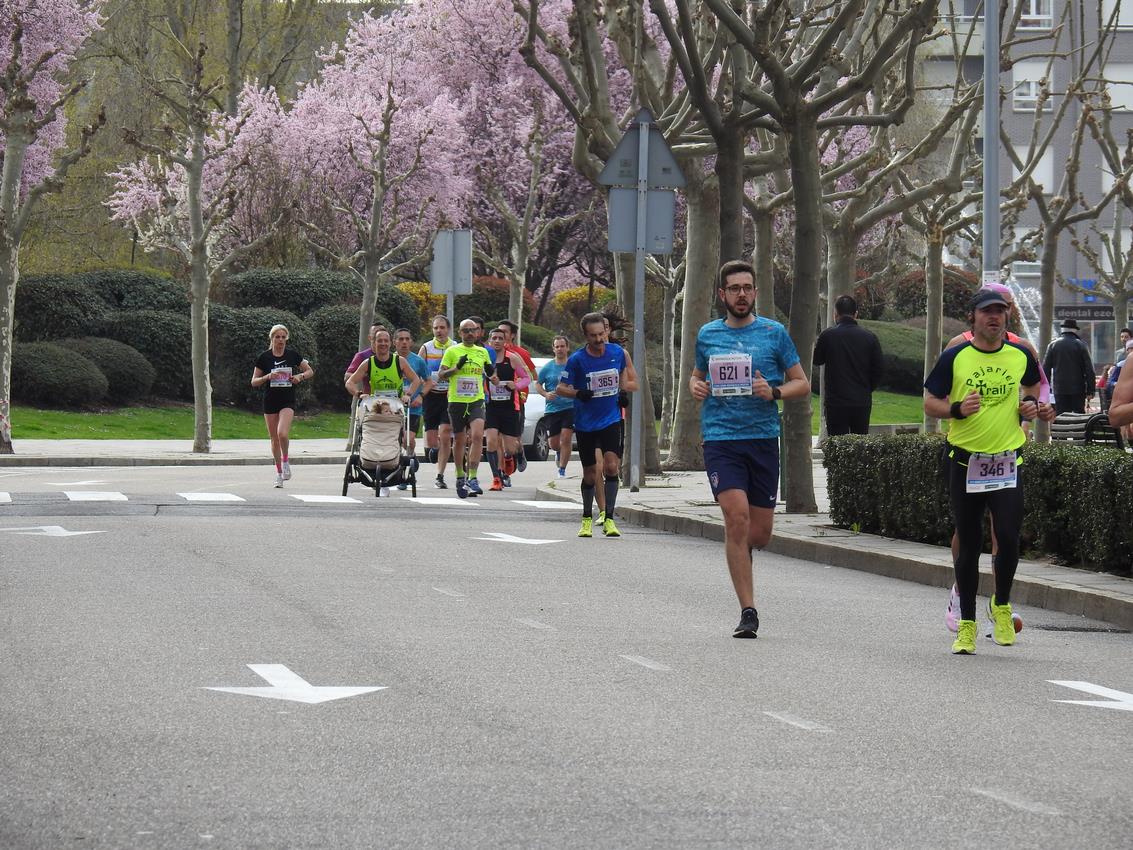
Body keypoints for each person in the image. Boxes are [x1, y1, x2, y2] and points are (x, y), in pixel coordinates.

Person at [924, 289, 1055, 655]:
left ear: (1007, 317)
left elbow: (1034, 387)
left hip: (1007, 460)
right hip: (966, 461)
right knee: (968, 545)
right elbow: (929, 402)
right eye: (987, 312)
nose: (994, 318)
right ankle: (966, 623)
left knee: (1010, 539)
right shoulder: (956, 356)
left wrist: (1031, 406)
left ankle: (1001, 604)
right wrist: (956, 410)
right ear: (973, 317)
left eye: (1000, 312)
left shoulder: (1020, 354)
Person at [689, 260, 810, 638]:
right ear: (722, 295)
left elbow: (801, 383)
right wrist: (697, 387)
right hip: (721, 438)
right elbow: (697, 375)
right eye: (734, 288)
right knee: (736, 518)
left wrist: (773, 392)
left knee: (759, 534)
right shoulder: (708, 334)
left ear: (754, 292)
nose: (741, 294)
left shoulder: (774, 334)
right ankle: (748, 611)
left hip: (761, 439)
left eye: (747, 287)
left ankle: (744, 552)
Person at [557, 311, 639, 538]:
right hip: (585, 424)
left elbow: (629, 382)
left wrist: (623, 393)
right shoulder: (577, 360)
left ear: (607, 331)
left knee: (612, 466)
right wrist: (578, 393)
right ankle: (586, 518)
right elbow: (560, 388)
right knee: (591, 473)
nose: (599, 339)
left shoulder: (618, 353)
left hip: (611, 419)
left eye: (602, 334)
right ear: (586, 336)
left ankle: (610, 519)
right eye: (593, 336)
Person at [251, 324, 314, 488]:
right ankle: (279, 474)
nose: (280, 340)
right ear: (271, 338)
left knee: (282, 434)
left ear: (286, 339)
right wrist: (267, 377)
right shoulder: (264, 357)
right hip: (270, 400)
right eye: (277, 337)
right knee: (274, 438)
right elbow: (254, 381)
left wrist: (300, 376)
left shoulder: (292, 355)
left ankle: (285, 461)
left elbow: (309, 371)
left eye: (283, 337)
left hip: (287, 399)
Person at [438, 319, 495, 499]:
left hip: (476, 400)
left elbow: (491, 372)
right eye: (466, 330)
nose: (470, 333)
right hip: (456, 401)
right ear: (460, 333)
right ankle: (459, 475)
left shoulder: (482, 351)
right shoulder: (452, 351)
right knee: (460, 440)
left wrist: (493, 377)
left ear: (477, 333)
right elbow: (441, 375)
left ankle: (473, 477)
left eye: (473, 330)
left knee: (478, 436)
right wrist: (456, 368)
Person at [812, 294, 883, 435]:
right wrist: (867, 388)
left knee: (837, 446)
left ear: (835, 314)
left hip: (836, 402)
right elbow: (879, 370)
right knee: (859, 447)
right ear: (856, 314)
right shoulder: (870, 337)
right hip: (861, 401)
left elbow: (817, 360)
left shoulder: (828, 336)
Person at [484, 328, 530, 490]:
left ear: (505, 342)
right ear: (489, 341)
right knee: (491, 441)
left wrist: (515, 386)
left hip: (510, 407)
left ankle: (512, 456)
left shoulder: (512, 359)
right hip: (491, 407)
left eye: (500, 338)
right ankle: (496, 477)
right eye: (494, 338)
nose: (497, 341)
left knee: (509, 447)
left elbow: (527, 378)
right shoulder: (484, 359)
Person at [419, 315, 455, 488]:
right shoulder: (426, 348)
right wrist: (425, 382)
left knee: (446, 432)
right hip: (431, 396)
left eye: (442, 327)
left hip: (449, 396)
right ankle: (435, 448)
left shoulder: (455, 347)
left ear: (448, 329)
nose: (439, 331)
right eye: (435, 328)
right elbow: (417, 370)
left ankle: (440, 476)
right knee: (433, 440)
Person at [394, 328, 432, 488]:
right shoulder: (388, 360)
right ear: (394, 342)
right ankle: (409, 460)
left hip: (413, 408)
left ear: (411, 341)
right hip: (393, 408)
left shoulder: (418, 361)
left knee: (407, 440)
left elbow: (429, 381)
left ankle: (405, 470)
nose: (404, 342)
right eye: (400, 339)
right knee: (397, 442)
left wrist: (420, 396)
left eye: (407, 339)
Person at [344, 328, 421, 407]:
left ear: (390, 343)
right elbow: (349, 383)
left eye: (386, 341)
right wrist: (359, 394)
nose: (383, 343)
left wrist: (408, 395)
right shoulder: (368, 363)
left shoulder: (400, 361)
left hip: (396, 407)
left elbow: (416, 380)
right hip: (376, 407)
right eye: (380, 341)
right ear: (374, 343)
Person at [534, 335, 574, 479]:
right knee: (554, 444)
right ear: (553, 349)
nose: (560, 349)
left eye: (562, 346)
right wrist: (545, 394)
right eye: (557, 346)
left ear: (567, 348)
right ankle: (558, 452)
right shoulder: (548, 367)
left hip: (570, 407)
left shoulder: (573, 365)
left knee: (566, 439)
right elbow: (537, 383)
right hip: (552, 409)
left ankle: (562, 470)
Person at [1043, 318, 1095, 414]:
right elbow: (1089, 370)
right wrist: (1090, 391)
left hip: (1059, 389)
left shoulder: (1052, 345)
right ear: (1075, 330)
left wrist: (1047, 390)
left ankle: (1062, 429)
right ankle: (1077, 429)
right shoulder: (1081, 345)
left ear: (1062, 329)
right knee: (1078, 416)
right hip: (1078, 389)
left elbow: (1045, 369)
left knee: (1061, 415)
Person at [344, 323, 384, 392]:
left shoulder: (394, 358)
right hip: (369, 398)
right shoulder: (362, 356)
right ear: (370, 337)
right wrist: (365, 373)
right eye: (375, 333)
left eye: (381, 332)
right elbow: (347, 377)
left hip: (391, 398)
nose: (379, 335)